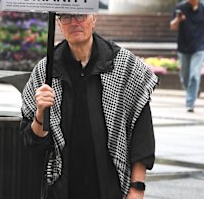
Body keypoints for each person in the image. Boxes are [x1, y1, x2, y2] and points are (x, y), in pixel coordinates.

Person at [20, 13, 158, 199]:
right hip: (62, 188)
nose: (74, 23)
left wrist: (137, 188)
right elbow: (31, 142)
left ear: (94, 18)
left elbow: (142, 134)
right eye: (67, 18)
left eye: (81, 16)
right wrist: (40, 113)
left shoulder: (124, 65)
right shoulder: (46, 71)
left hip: (110, 187)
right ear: (59, 24)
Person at [170, 0, 204, 112]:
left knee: (195, 75)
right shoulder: (181, 8)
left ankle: (190, 102)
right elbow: (172, 26)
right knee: (184, 77)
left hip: (199, 47)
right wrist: (178, 20)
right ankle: (193, 90)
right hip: (183, 47)